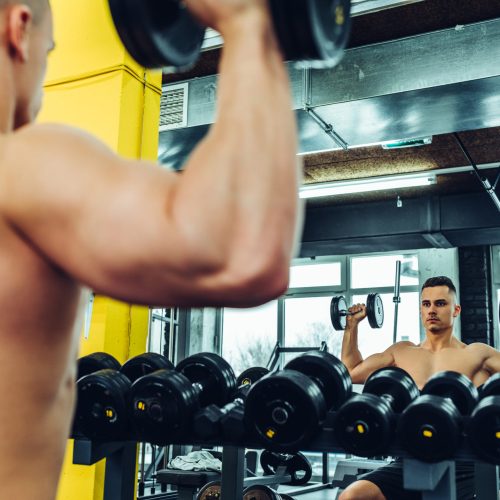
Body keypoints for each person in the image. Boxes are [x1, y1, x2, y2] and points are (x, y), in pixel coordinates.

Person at [0, 1, 302, 498]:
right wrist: (249, 25)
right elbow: (242, 251)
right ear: (20, 28)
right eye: (48, 53)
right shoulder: (21, 166)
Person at [339, 275, 500, 500]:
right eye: (426, 304)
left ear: (456, 310)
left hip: (463, 462)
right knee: (353, 496)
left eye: (440, 303)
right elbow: (349, 373)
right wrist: (351, 327)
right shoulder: (402, 352)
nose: (432, 310)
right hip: (409, 457)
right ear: (421, 310)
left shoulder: (476, 354)